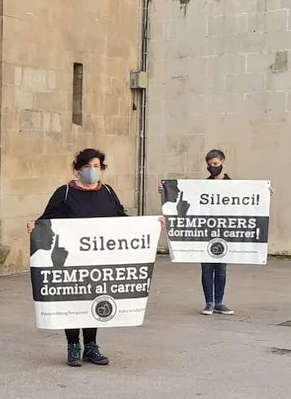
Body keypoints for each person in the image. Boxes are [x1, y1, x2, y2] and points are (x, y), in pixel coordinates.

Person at [27, 148, 166, 367]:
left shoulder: (107, 192)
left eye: (97, 167)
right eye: (87, 167)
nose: (92, 171)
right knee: (73, 300)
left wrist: (149, 226)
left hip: (99, 258)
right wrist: (35, 226)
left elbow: (121, 219)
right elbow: (47, 220)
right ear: (77, 169)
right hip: (70, 259)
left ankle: (91, 345)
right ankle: (73, 345)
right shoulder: (64, 193)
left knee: (94, 297)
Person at [158, 149, 273, 316]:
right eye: (209, 165)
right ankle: (209, 303)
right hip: (206, 232)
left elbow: (249, 196)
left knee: (221, 269)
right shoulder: (203, 186)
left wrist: (264, 192)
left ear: (223, 162)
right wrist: (165, 190)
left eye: (215, 164)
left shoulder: (233, 185)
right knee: (206, 268)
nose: (212, 168)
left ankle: (219, 302)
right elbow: (183, 194)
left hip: (224, 233)